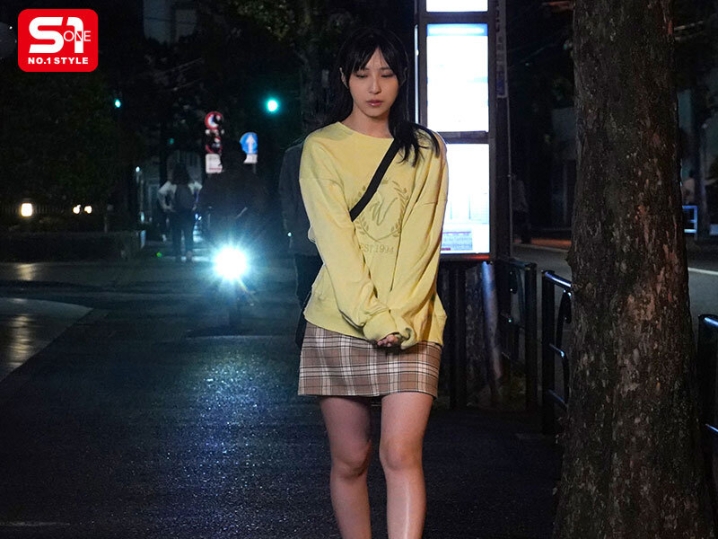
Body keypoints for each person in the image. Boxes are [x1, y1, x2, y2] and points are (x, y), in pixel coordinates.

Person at [298, 27, 448, 539]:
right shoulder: (322, 148)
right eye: (362, 74)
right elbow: (335, 243)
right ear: (345, 78)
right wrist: (373, 317)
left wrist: (398, 318)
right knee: (351, 459)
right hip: (338, 319)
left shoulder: (426, 148)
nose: (375, 86)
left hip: (413, 320)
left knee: (401, 453)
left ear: (402, 78)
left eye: (386, 74)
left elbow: (423, 240)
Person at [278, 140, 323, 304]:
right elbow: (286, 193)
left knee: (308, 286)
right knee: (308, 286)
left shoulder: (295, 154)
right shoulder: (295, 154)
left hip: (307, 230)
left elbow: (286, 193)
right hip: (306, 229)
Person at [198, 142, 266, 248]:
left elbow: (260, 202)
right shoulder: (214, 181)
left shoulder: (251, 181)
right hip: (220, 233)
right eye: (229, 159)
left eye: (235, 159)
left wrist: (252, 214)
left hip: (246, 233)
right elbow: (202, 201)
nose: (232, 163)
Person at [158, 162, 202, 262]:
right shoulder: (191, 183)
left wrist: (165, 206)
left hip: (175, 212)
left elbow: (160, 192)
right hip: (189, 213)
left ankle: (178, 254)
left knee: (176, 234)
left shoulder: (171, 184)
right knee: (189, 233)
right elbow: (202, 190)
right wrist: (196, 204)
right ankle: (189, 252)